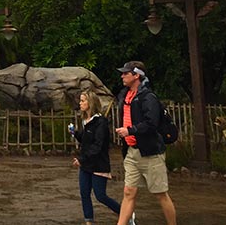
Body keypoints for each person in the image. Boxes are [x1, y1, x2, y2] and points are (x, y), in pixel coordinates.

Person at [115, 61, 176, 225]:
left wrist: (130, 130)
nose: (122, 76)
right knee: (128, 192)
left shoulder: (148, 97)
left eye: (125, 73)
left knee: (161, 194)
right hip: (132, 152)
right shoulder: (125, 96)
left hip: (151, 153)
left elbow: (151, 124)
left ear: (137, 75)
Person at [70, 90, 123, 225]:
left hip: (98, 163)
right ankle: (89, 221)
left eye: (83, 101)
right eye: (80, 101)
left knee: (100, 195)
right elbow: (85, 140)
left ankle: (126, 214)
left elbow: (98, 146)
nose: (80, 103)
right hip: (86, 164)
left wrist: (81, 159)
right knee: (84, 193)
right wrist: (75, 133)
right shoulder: (85, 121)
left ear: (91, 102)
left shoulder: (101, 122)